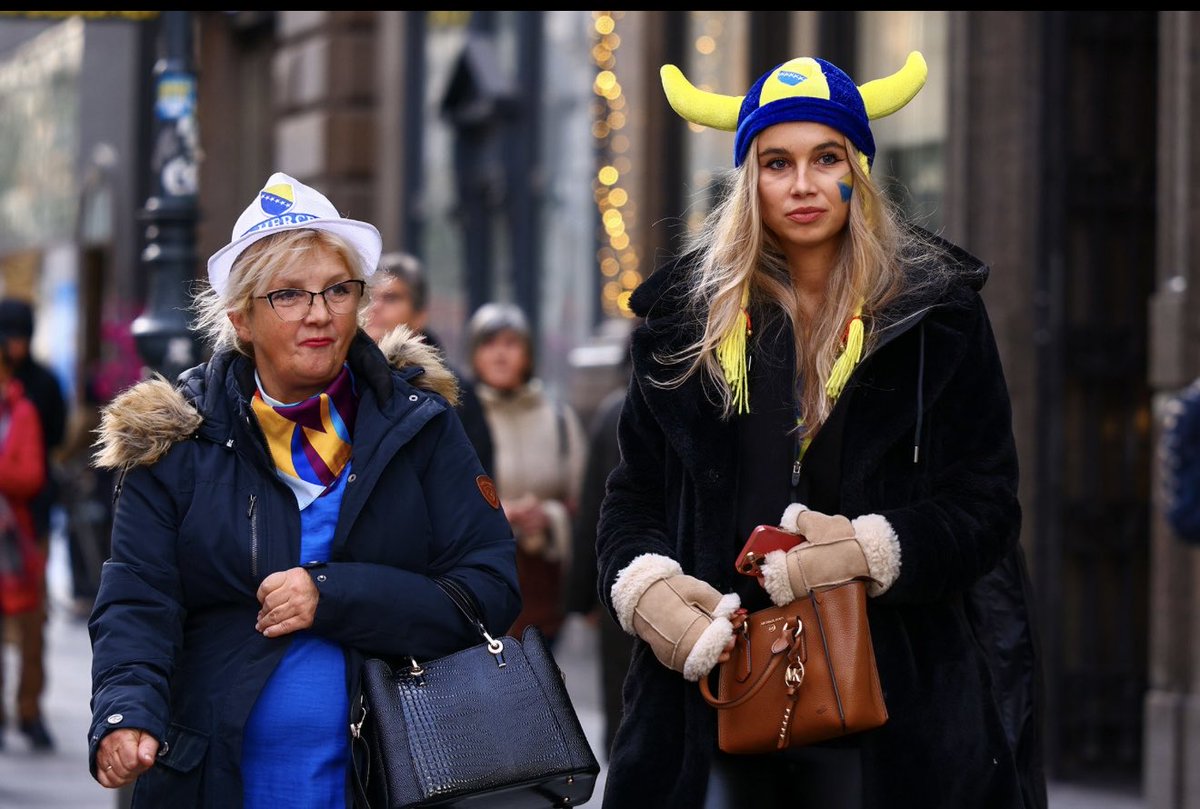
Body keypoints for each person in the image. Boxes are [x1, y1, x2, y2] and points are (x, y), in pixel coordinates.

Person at [595, 53, 1046, 808]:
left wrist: (871, 551)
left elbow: (987, 506)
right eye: (777, 162)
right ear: (750, 179)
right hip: (714, 702)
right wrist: (650, 589)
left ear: (858, 170)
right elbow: (631, 497)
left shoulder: (938, 315)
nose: (801, 184)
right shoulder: (683, 323)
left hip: (897, 714)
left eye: (825, 157)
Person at [87, 172, 521, 807]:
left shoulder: (419, 425)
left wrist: (333, 594)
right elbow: (137, 599)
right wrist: (125, 711)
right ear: (240, 317)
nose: (319, 314)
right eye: (287, 295)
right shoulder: (176, 439)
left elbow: (489, 589)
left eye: (337, 290)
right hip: (214, 782)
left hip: (388, 781)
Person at [467, 302, 585, 648]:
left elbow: (587, 502)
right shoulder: (459, 419)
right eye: (489, 344)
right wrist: (499, 514)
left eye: (511, 343)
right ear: (474, 355)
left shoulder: (560, 419)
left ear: (529, 354)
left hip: (544, 591)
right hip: (482, 588)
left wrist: (549, 517)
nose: (500, 354)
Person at [364, 250, 495, 478]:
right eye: (369, 297)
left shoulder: (453, 390)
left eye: (391, 298)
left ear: (420, 315)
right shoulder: (337, 378)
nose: (375, 307)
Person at [0, 298, 64, 751]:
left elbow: (54, 442)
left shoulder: (41, 385)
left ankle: (29, 709)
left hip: (29, 524)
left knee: (31, 620)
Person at [0, 342, 47, 753]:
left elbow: (29, 474)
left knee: (30, 628)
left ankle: (29, 712)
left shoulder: (22, 411)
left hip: (17, 540)